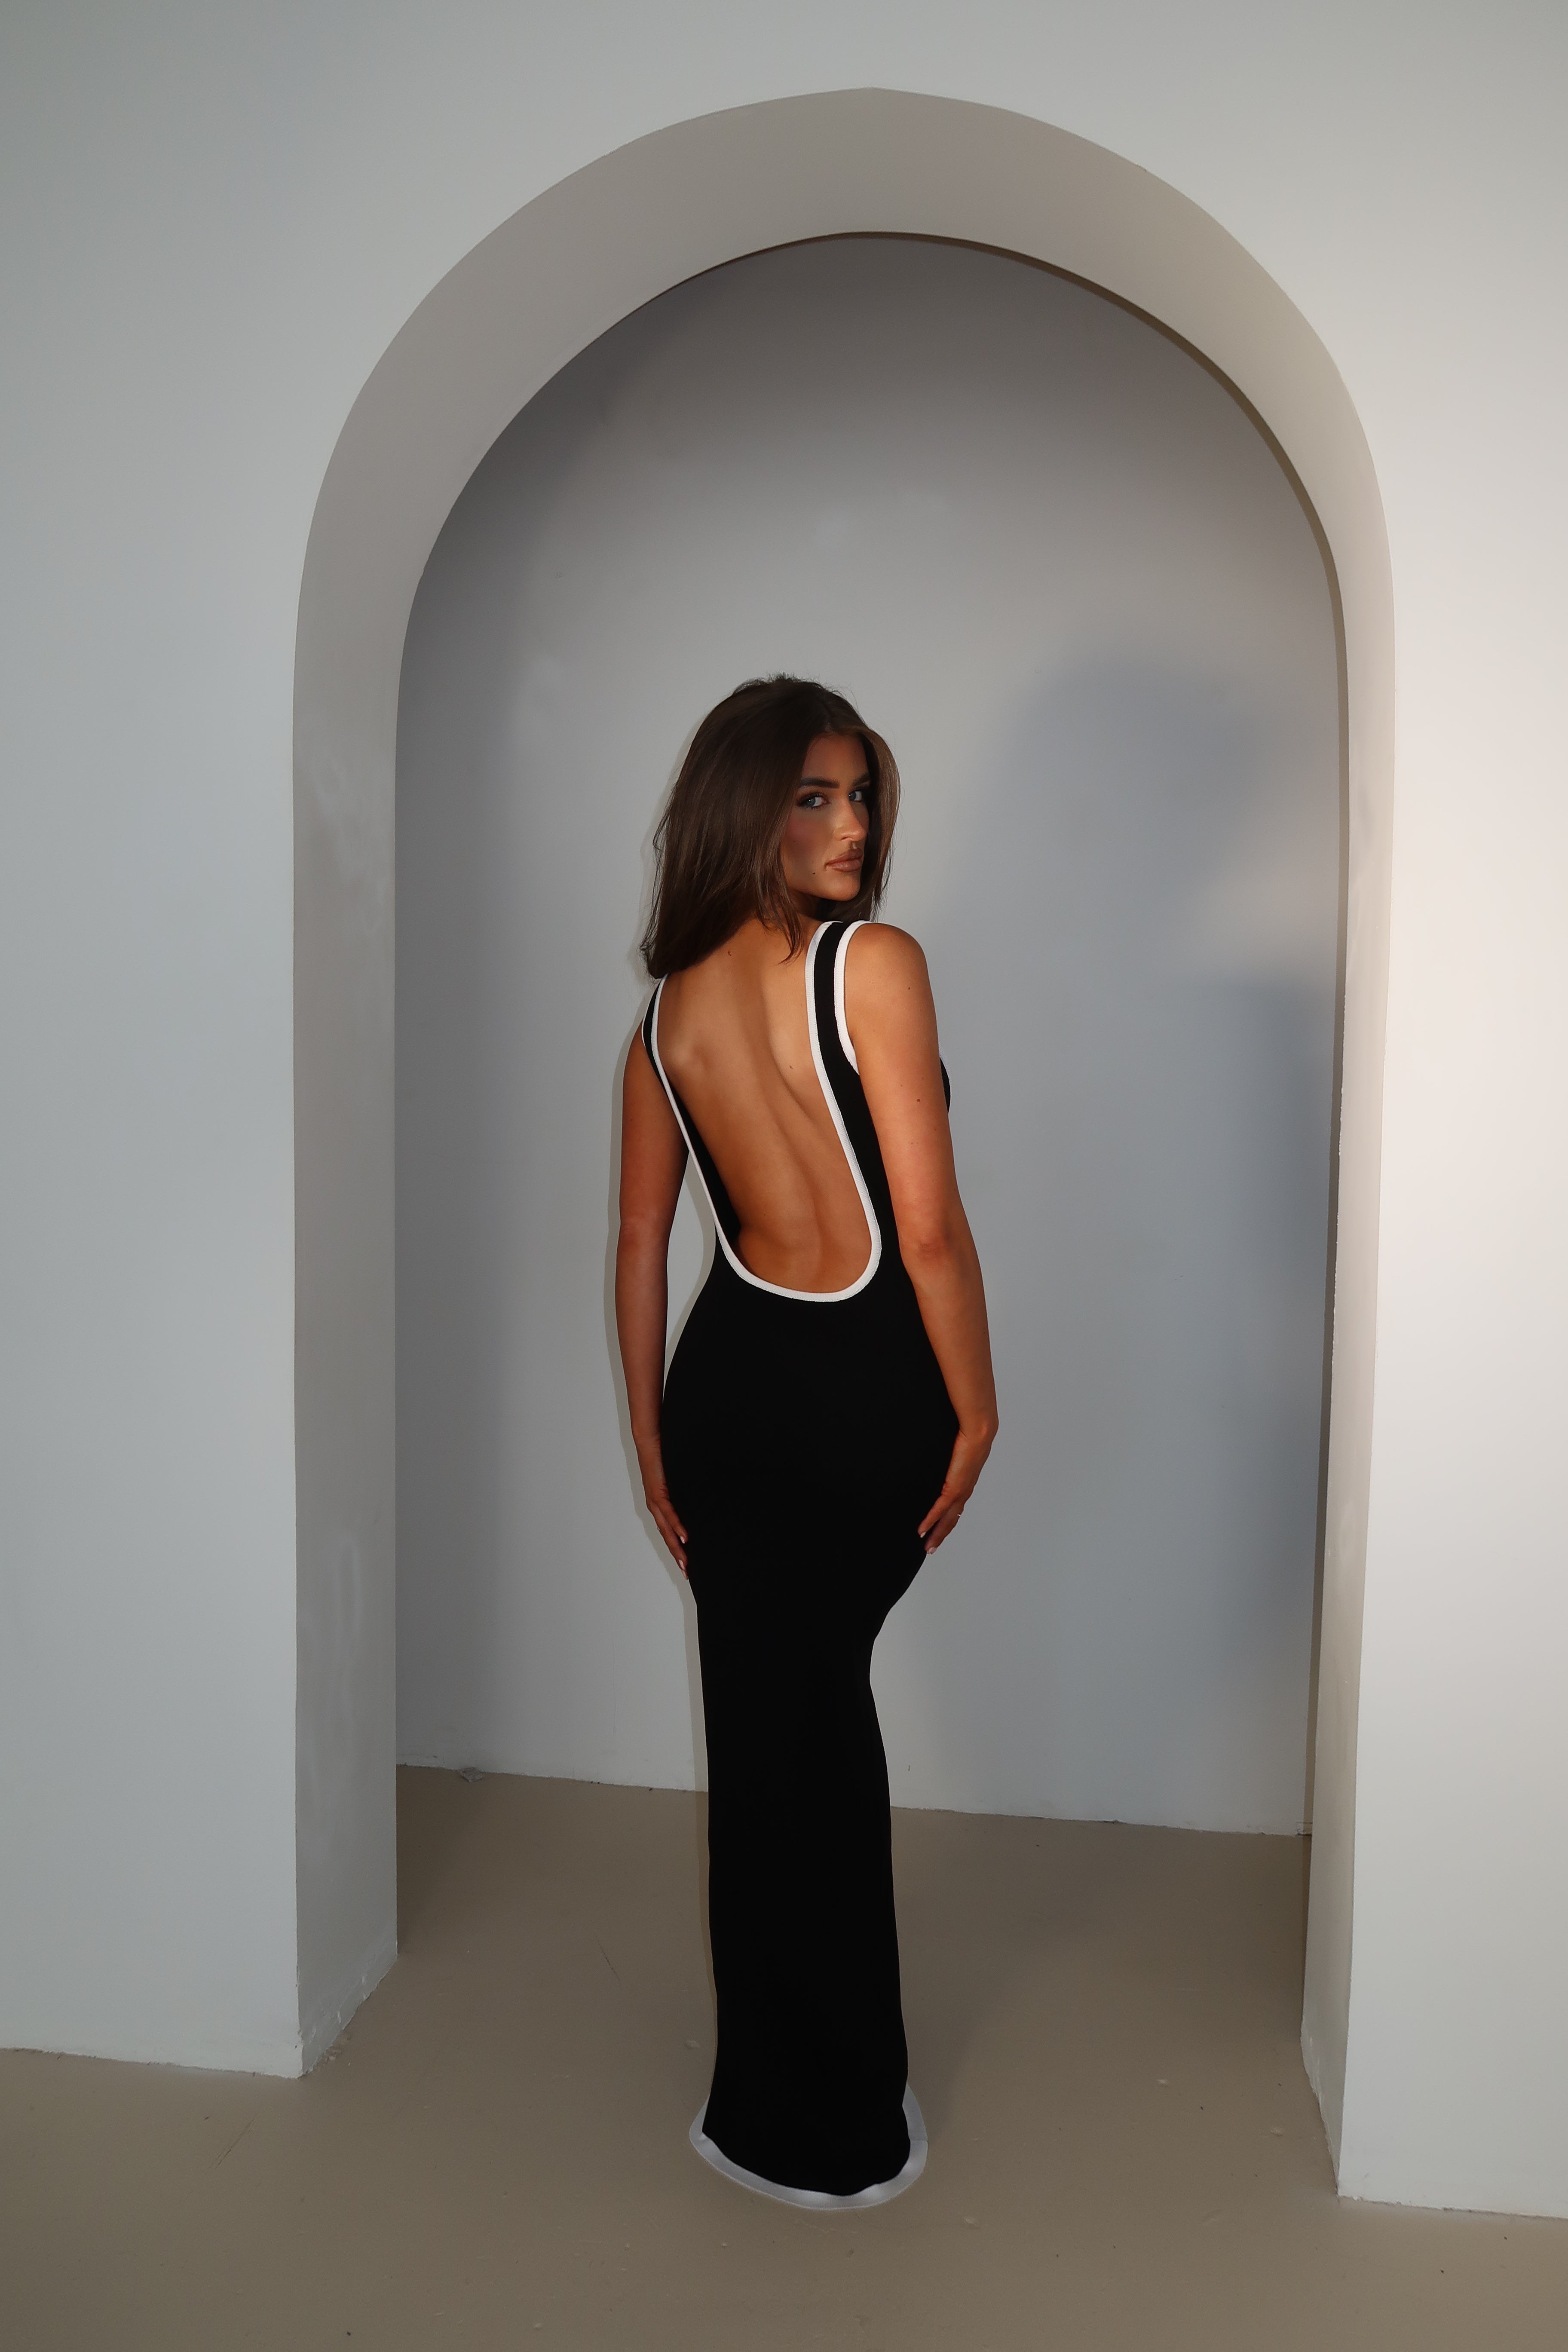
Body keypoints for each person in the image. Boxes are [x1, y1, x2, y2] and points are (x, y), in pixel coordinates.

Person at [615, 676, 998, 2207]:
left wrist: (652, 1444)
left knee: (775, 1736)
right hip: (867, 1400)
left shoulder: (665, 1016)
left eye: (860, 795)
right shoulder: (875, 966)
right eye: (814, 797)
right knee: (813, 1742)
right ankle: (832, 2125)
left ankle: (769, 2106)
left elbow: (641, 1244)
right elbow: (931, 1234)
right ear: (745, 809)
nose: (851, 827)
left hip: (724, 1399)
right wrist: (979, 1407)